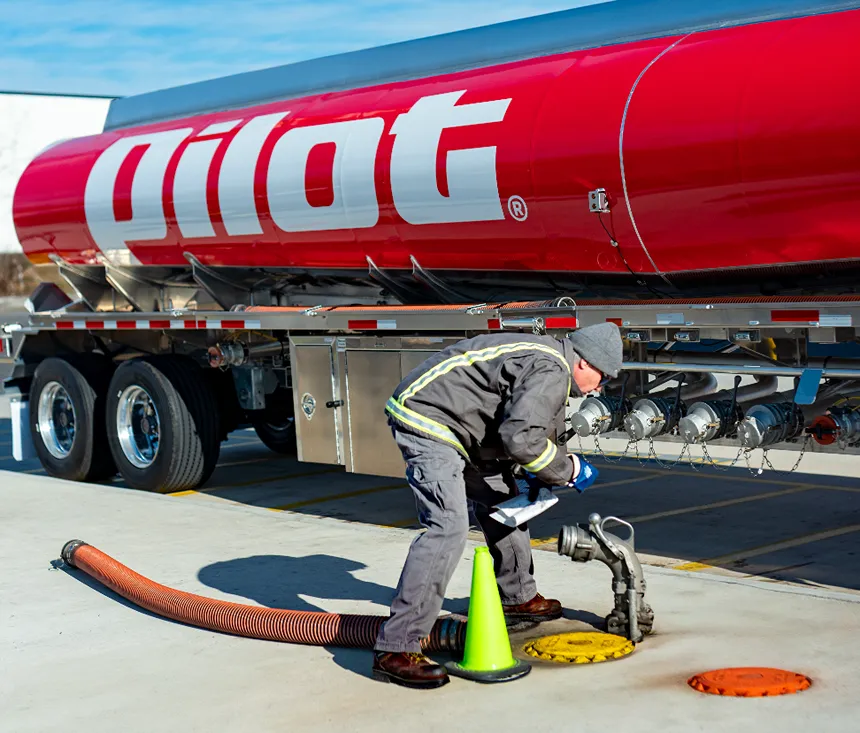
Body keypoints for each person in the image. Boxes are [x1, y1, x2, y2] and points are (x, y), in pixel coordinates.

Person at [371, 322, 624, 688]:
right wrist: (567, 470)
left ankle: (518, 597)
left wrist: (546, 470)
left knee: (503, 500)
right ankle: (396, 648)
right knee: (448, 528)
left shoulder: (552, 362)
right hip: (429, 419)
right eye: (603, 378)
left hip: (464, 426)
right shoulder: (553, 368)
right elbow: (521, 438)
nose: (600, 387)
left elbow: (537, 434)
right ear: (584, 363)